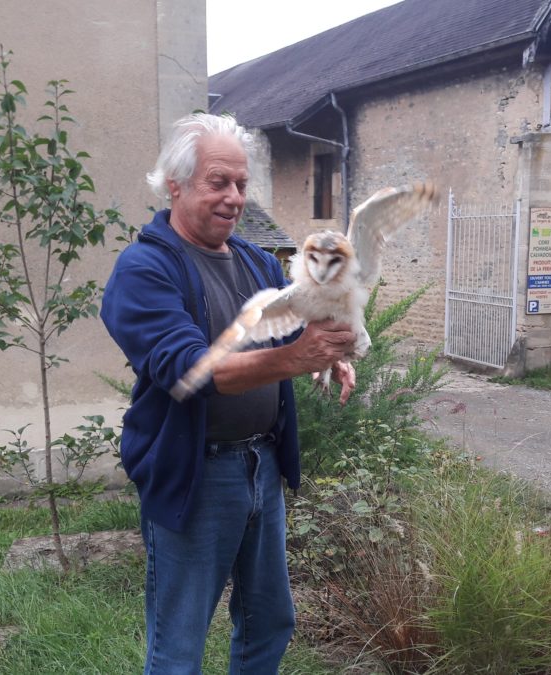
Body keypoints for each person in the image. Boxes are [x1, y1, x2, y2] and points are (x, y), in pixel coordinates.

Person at [100, 112, 356, 674]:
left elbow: (297, 321)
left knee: (269, 620)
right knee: (180, 640)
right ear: (176, 183)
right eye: (219, 182)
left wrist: (328, 353)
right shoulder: (144, 269)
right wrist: (296, 357)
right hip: (196, 474)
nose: (235, 197)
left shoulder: (256, 260)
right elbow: (190, 371)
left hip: (261, 464)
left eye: (241, 184)